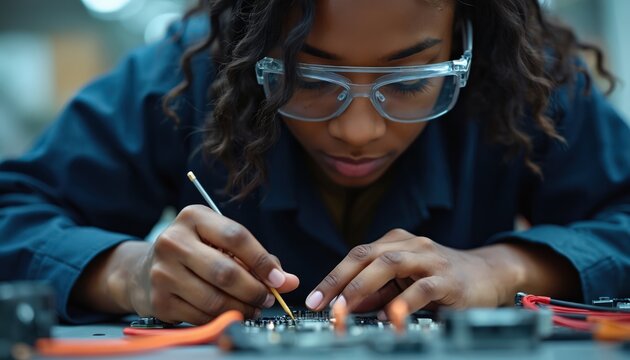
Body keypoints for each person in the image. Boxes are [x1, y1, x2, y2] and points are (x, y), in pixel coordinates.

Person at [0, 0, 629, 325]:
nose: (358, 131)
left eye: (409, 81)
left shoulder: (527, 82)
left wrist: (503, 269)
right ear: (252, 45)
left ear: (468, 43)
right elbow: (14, 212)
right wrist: (126, 274)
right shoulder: (185, 76)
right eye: (309, 75)